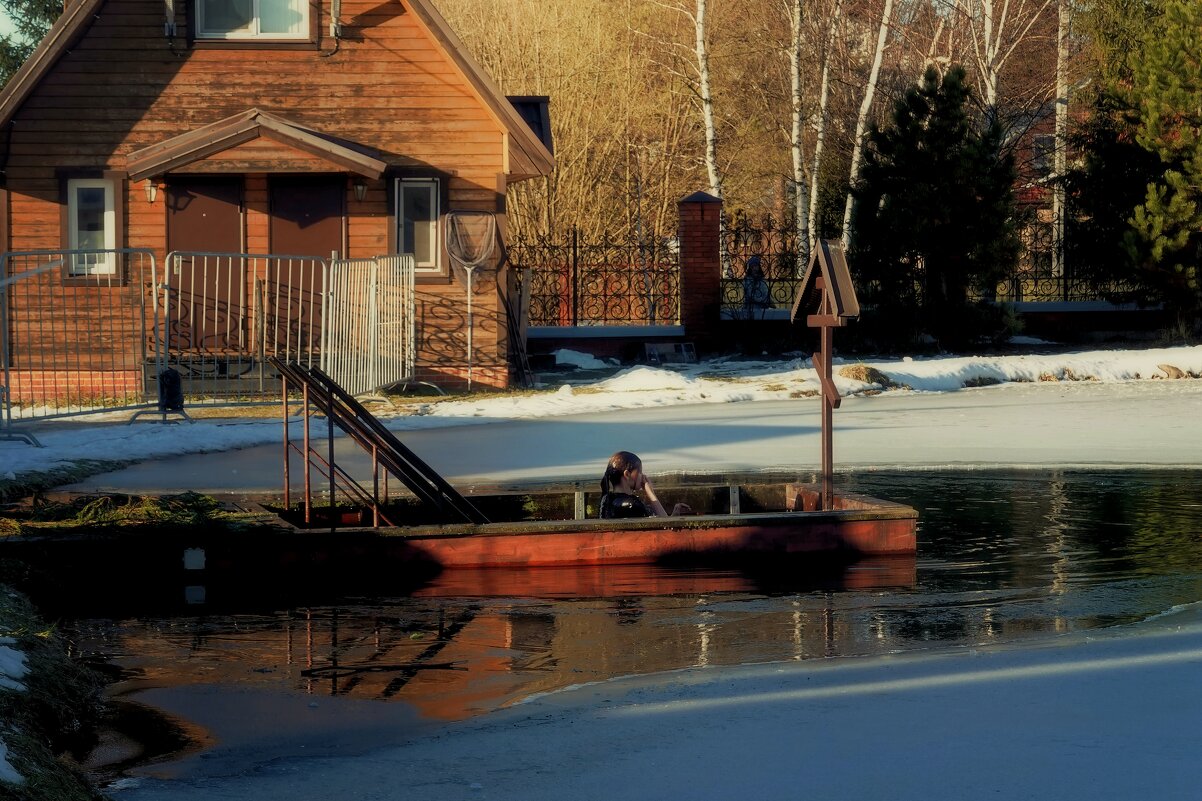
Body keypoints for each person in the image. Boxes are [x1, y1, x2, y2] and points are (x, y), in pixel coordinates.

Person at [599, 451, 691, 518]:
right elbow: (665, 527)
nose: (643, 476)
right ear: (627, 474)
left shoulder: (607, 499)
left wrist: (674, 514)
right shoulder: (632, 505)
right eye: (640, 472)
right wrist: (650, 493)